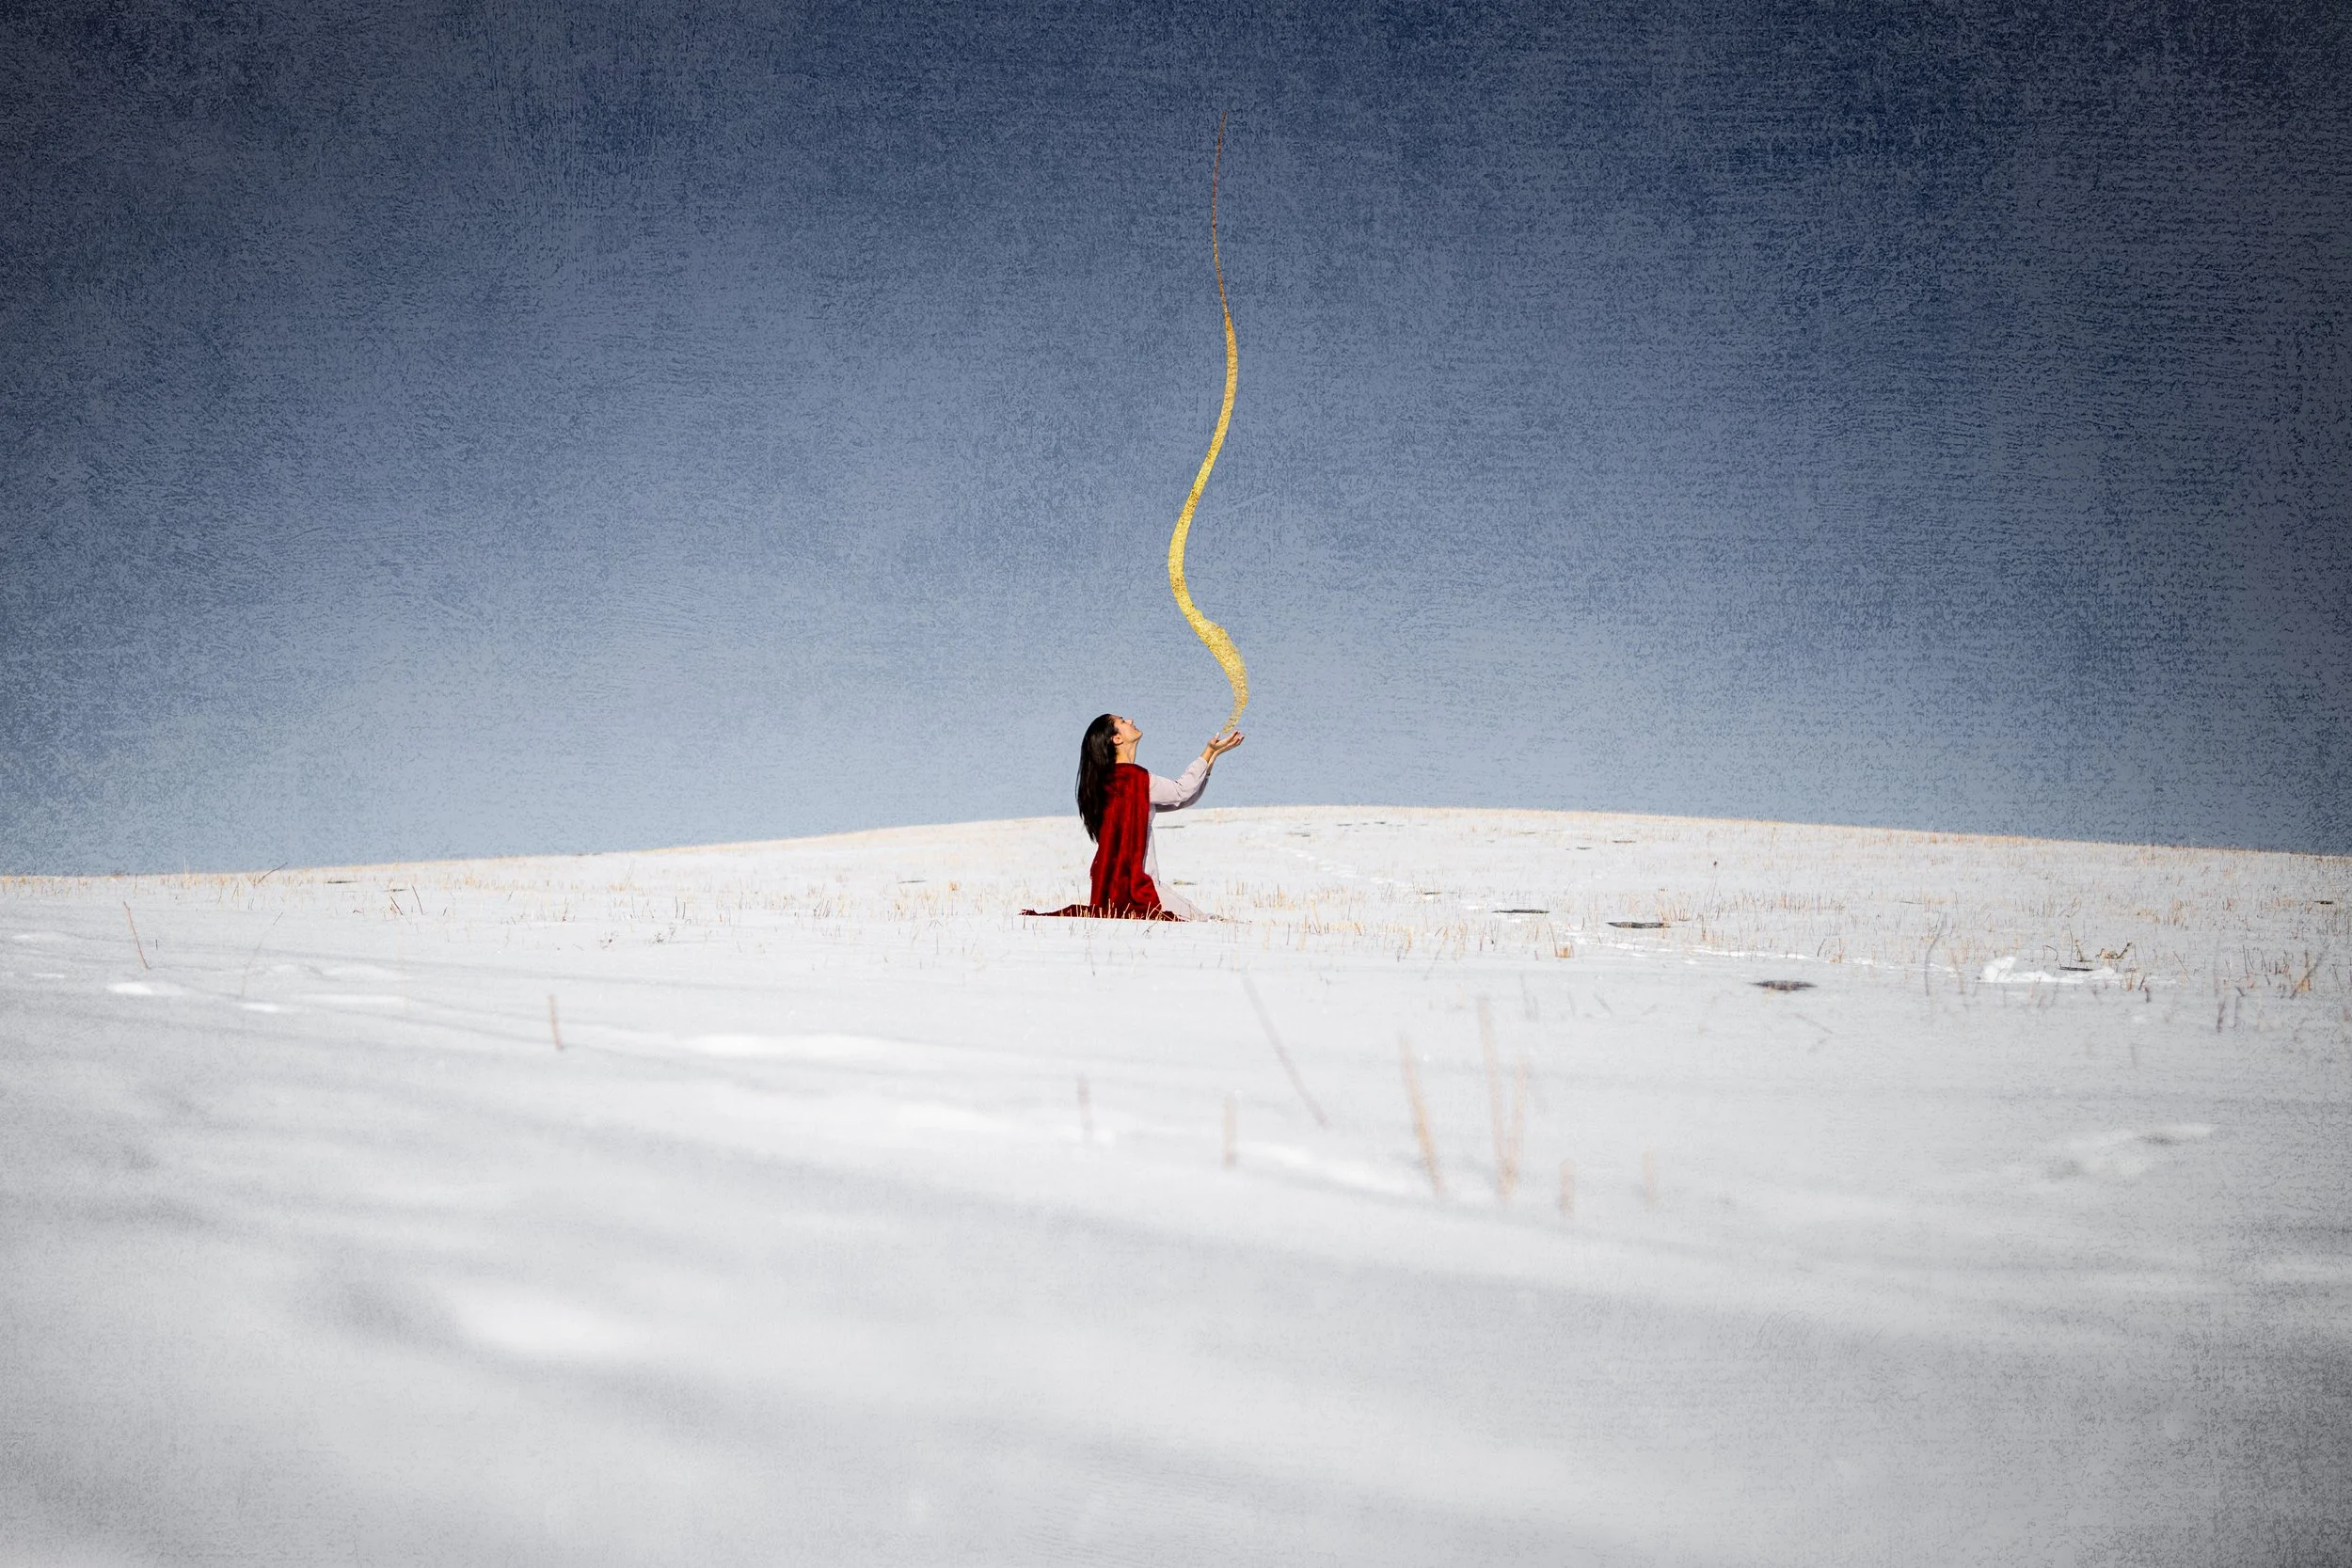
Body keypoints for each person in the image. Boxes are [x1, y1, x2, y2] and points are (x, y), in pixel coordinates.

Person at [1025, 714, 1244, 921]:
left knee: (1200, 919)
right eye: (1122, 721)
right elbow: (1182, 792)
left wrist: (1212, 757)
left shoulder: (1111, 782)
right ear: (1116, 738)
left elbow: (1181, 800)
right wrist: (1207, 752)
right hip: (1141, 887)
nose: (1130, 720)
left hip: (1119, 887)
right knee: (1201, 921)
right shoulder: (1135, 779)